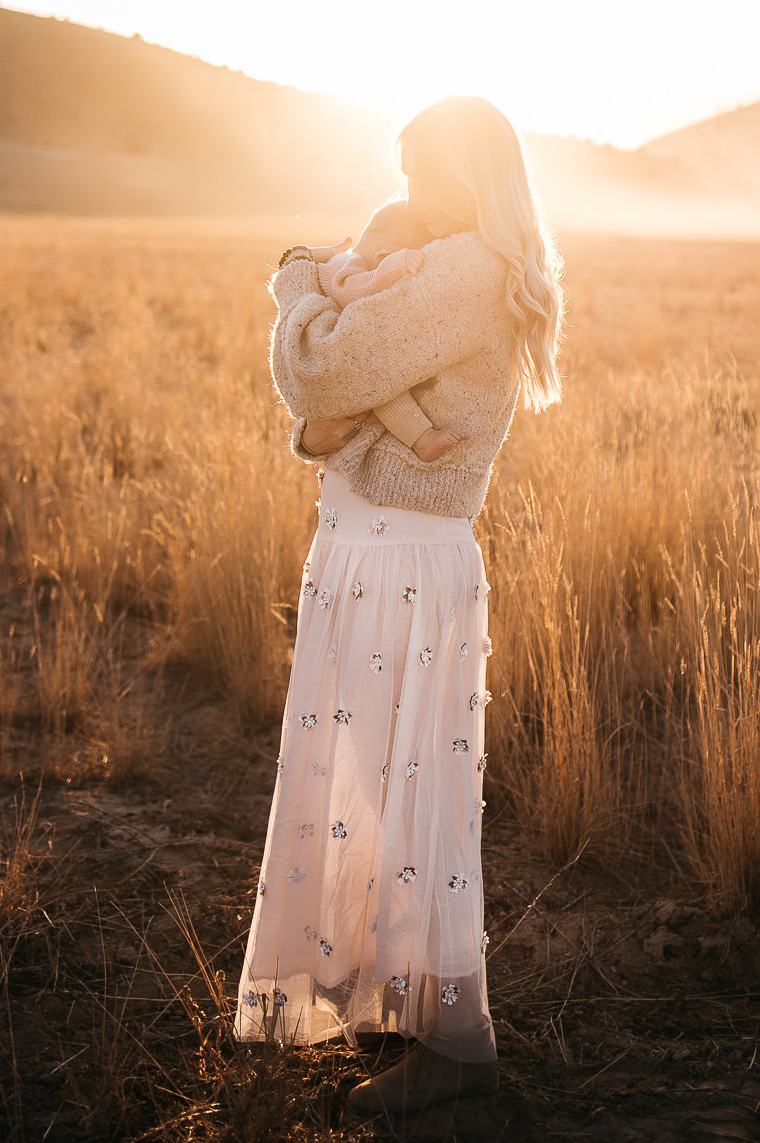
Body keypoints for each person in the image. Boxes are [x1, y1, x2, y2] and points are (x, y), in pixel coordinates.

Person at [234, 96, 564, 1118]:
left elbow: (321, 372)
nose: (406, 192)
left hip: (399, 559)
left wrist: (297, 278)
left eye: (423, 169)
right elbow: (338, 397)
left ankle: (459, 1043)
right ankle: (400, 1000)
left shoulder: (464, 273)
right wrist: (348, 397)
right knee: (377, 793)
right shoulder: (449, 264)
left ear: (469, 176)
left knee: (411, 804)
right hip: (375, 548)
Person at [315, 197, 470, 465]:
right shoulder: (345, 264)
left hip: (349, 350)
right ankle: (422, 440)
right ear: (383, 258)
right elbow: (347, 291)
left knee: (384, 380)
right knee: (381, 380)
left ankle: (422, 439)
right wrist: (395, 267)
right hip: (336, 354)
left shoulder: (361, 263)